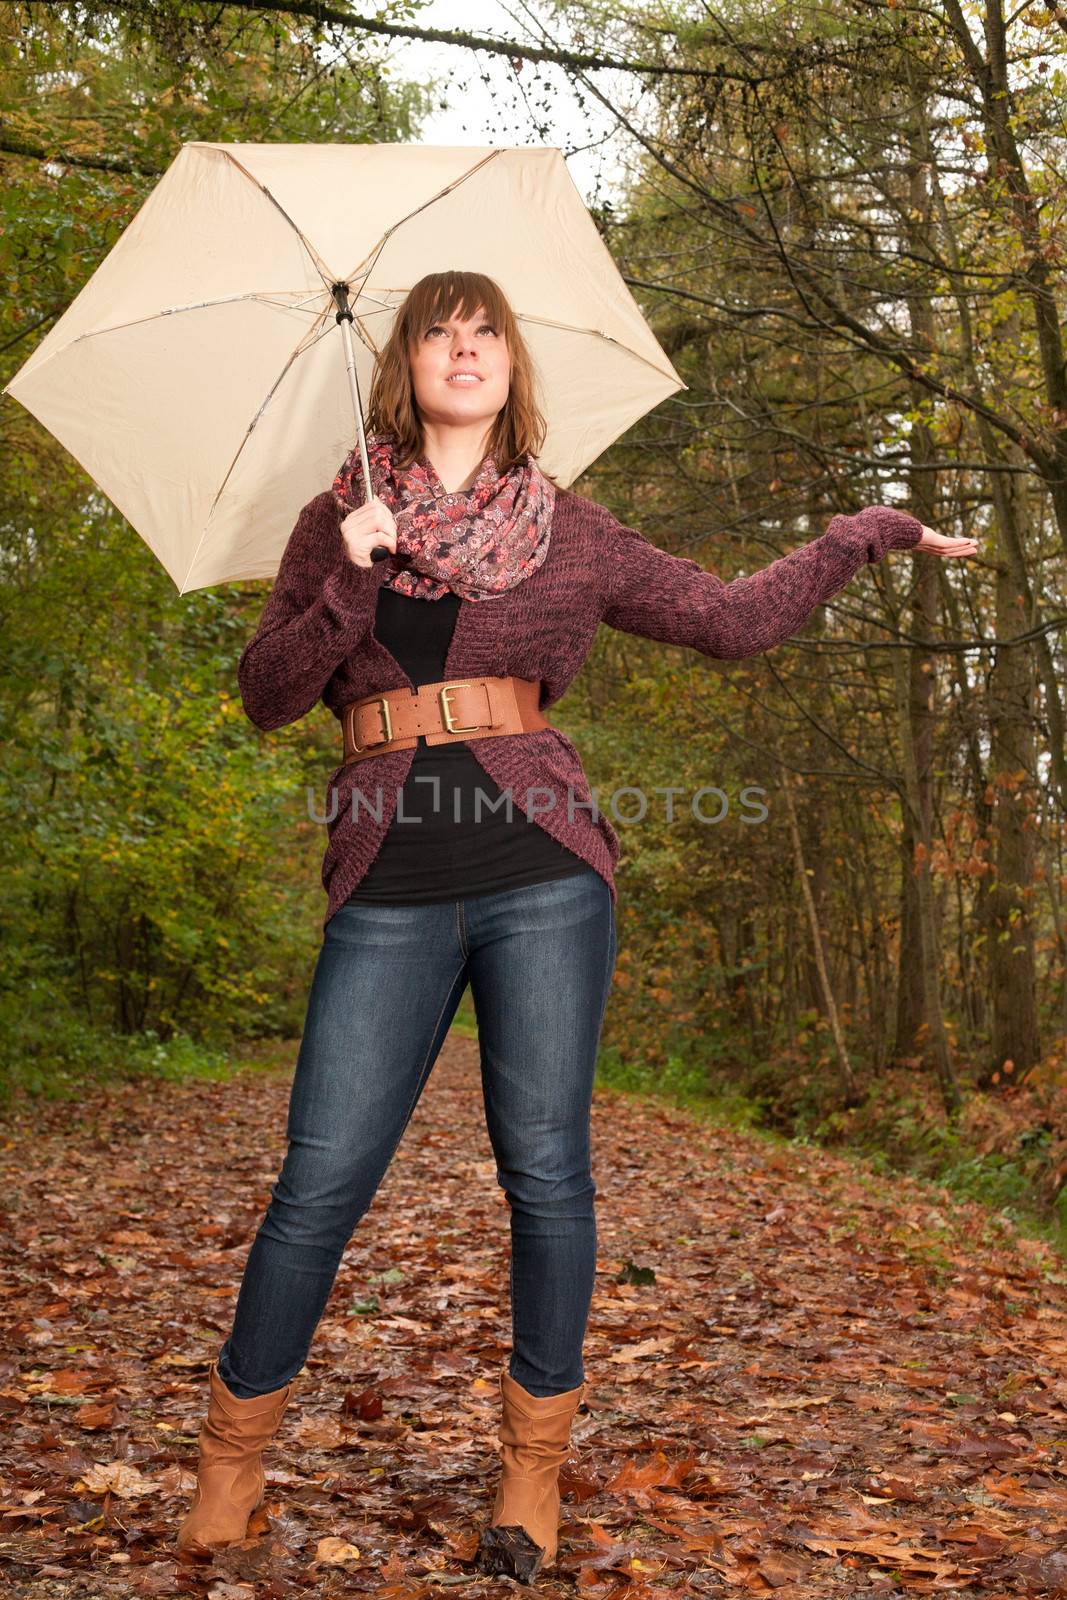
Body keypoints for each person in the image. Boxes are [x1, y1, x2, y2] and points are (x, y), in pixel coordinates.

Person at [175, 270, 978, 1579]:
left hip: (544, 872)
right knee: (317, 1184)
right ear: (403, 365)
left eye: (486, 327)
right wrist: (351, 581)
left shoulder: (575, 534)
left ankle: (529, 1477)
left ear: (515, 366)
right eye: (440, 327)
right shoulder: (340, 522)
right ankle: (229, 1473)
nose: (465, 345)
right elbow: (268, 695)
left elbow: (728, 620)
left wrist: (864, 533)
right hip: (387, 884)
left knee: (545, 1173)